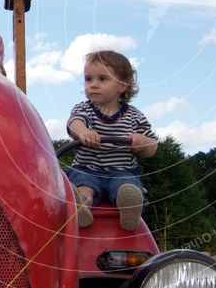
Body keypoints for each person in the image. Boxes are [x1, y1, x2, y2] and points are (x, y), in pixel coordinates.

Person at [66, 50, 158, 230]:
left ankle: (128, 208)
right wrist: (83, 132)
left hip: (121, 171)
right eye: (88, 79)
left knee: (127, 184)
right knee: (83, 182)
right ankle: (82, 205)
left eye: (102, 79)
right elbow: (74, 123)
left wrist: (142, 141)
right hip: (88, 169)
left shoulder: (134, 116)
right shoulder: (85, 109)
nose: (93, 85)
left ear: (123, 86)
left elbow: (152, 146)